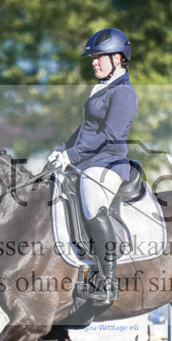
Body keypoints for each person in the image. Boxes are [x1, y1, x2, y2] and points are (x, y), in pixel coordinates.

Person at [48, 27, 138, 305]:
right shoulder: (102, 89)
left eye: (99, 57)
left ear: (118, 58)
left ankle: (109, 283)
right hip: (88, 161)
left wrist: (72, 156)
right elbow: (86, 129)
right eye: (93, 58)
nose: (94, 62)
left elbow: (109, 134)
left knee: (91, 197)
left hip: (109, 164)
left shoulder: (123, 93)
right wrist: (62, 150)